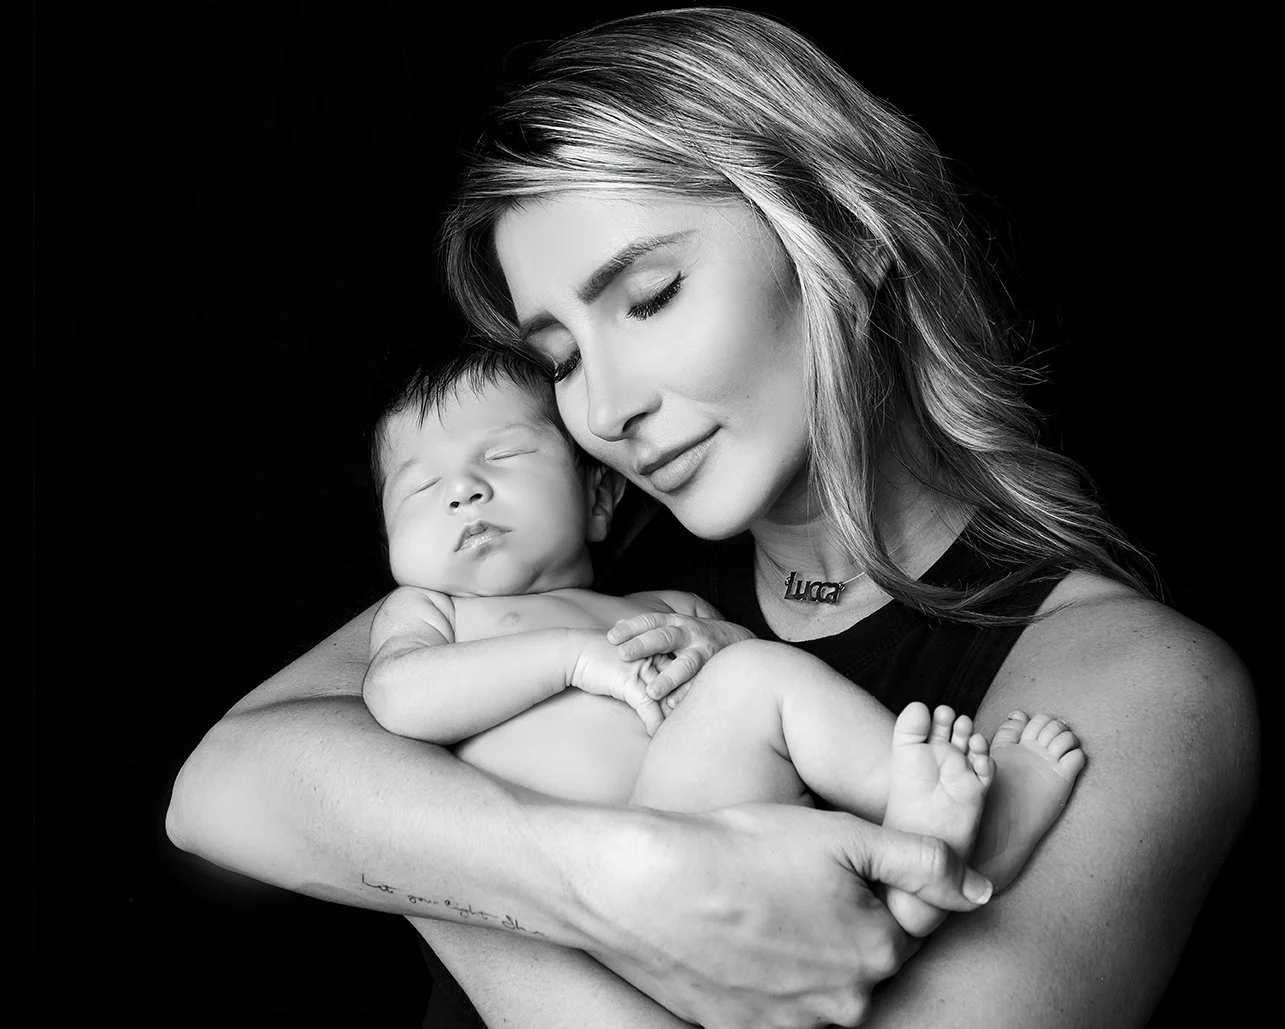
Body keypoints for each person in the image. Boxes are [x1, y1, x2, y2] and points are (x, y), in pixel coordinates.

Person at [166, 8, 1257, 1028]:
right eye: (558, 362)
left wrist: (415, 856)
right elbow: (225, 786)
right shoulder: (571, 573)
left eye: (646, 299)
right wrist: (620, 888)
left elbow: (323, 798)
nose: (601, 410)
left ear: (846, 239)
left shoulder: (1137, 682)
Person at [365, 344, 1083, 942]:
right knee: (753, 679)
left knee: (756, 677)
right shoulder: (433, 612)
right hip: (594, 892)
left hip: (724, 835)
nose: (463, 492)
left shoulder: (664, 605)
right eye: (420, 489)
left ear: (596, 500)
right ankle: (930, 855)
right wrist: (570, 658)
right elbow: (397, 696)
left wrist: (720, 645)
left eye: (503, 457)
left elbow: (762, 704)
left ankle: (926, 842)